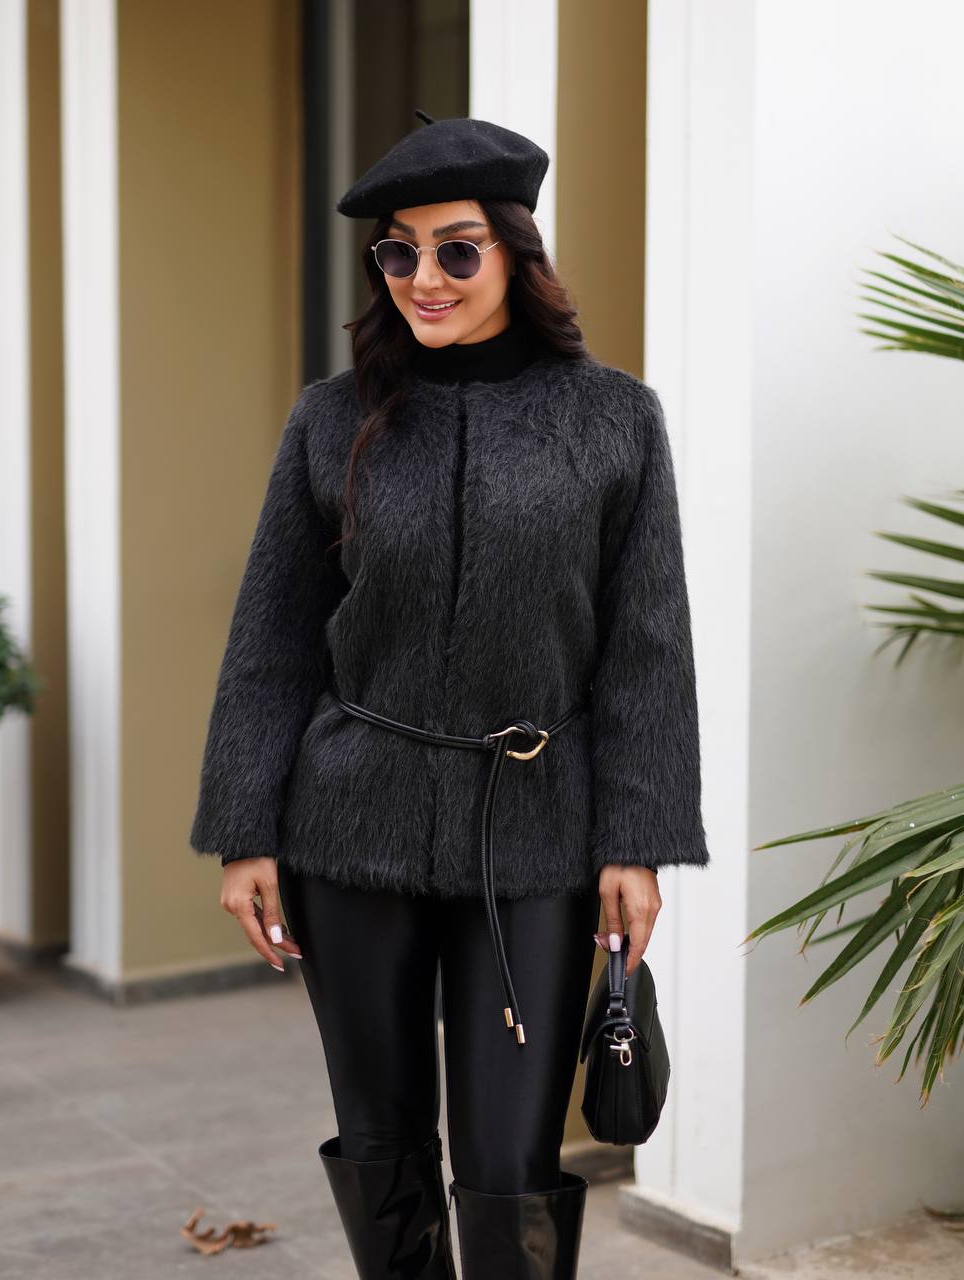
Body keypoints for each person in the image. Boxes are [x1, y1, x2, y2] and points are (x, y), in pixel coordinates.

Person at [189, 110, 710, 1280]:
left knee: (509, 1151)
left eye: (457, 249)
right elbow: (272, 638)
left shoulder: (613, 416)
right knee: (379, 1135)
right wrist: (244, 830)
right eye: (398, 251)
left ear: (515, 254)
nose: (424, 277)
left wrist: (636, 842)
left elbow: (646, 646)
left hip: (534, 831)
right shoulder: (332, 417)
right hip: (348, 824)